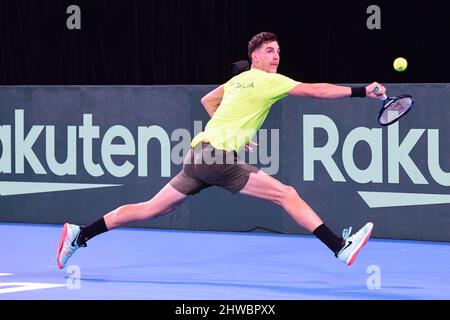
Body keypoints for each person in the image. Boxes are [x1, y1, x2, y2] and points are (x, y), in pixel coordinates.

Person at [57, 32, 385, 270]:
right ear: (255, 56)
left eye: (278, 51)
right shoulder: (267, 80)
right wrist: (362, 91)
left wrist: (231, 131)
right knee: (286, 194)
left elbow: (207, 101)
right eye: (269, 51)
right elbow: (317, 92)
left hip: (199, 156)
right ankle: (340, 247)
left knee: (151, 208)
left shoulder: (237, 81)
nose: (276, 57)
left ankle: (80, 234)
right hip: (218, 159)